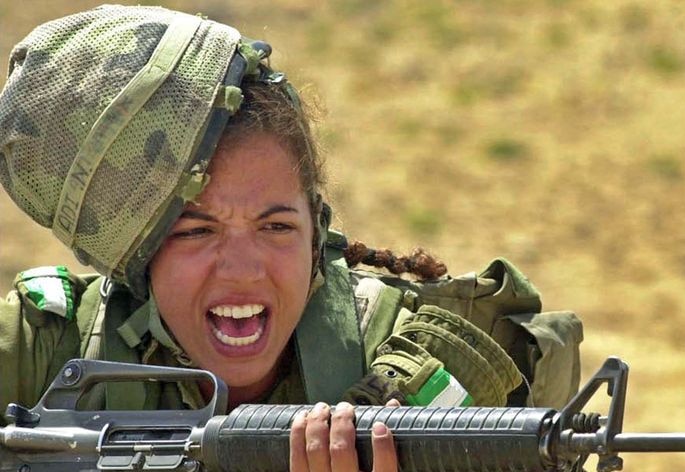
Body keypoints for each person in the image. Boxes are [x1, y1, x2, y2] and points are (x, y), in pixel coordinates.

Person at [0, 5, 583, 471]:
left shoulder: (416, 375)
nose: (244, 269)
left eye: (276, 227)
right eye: (197, 230)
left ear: (316, 236)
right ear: (138, 252)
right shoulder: (41, 351)